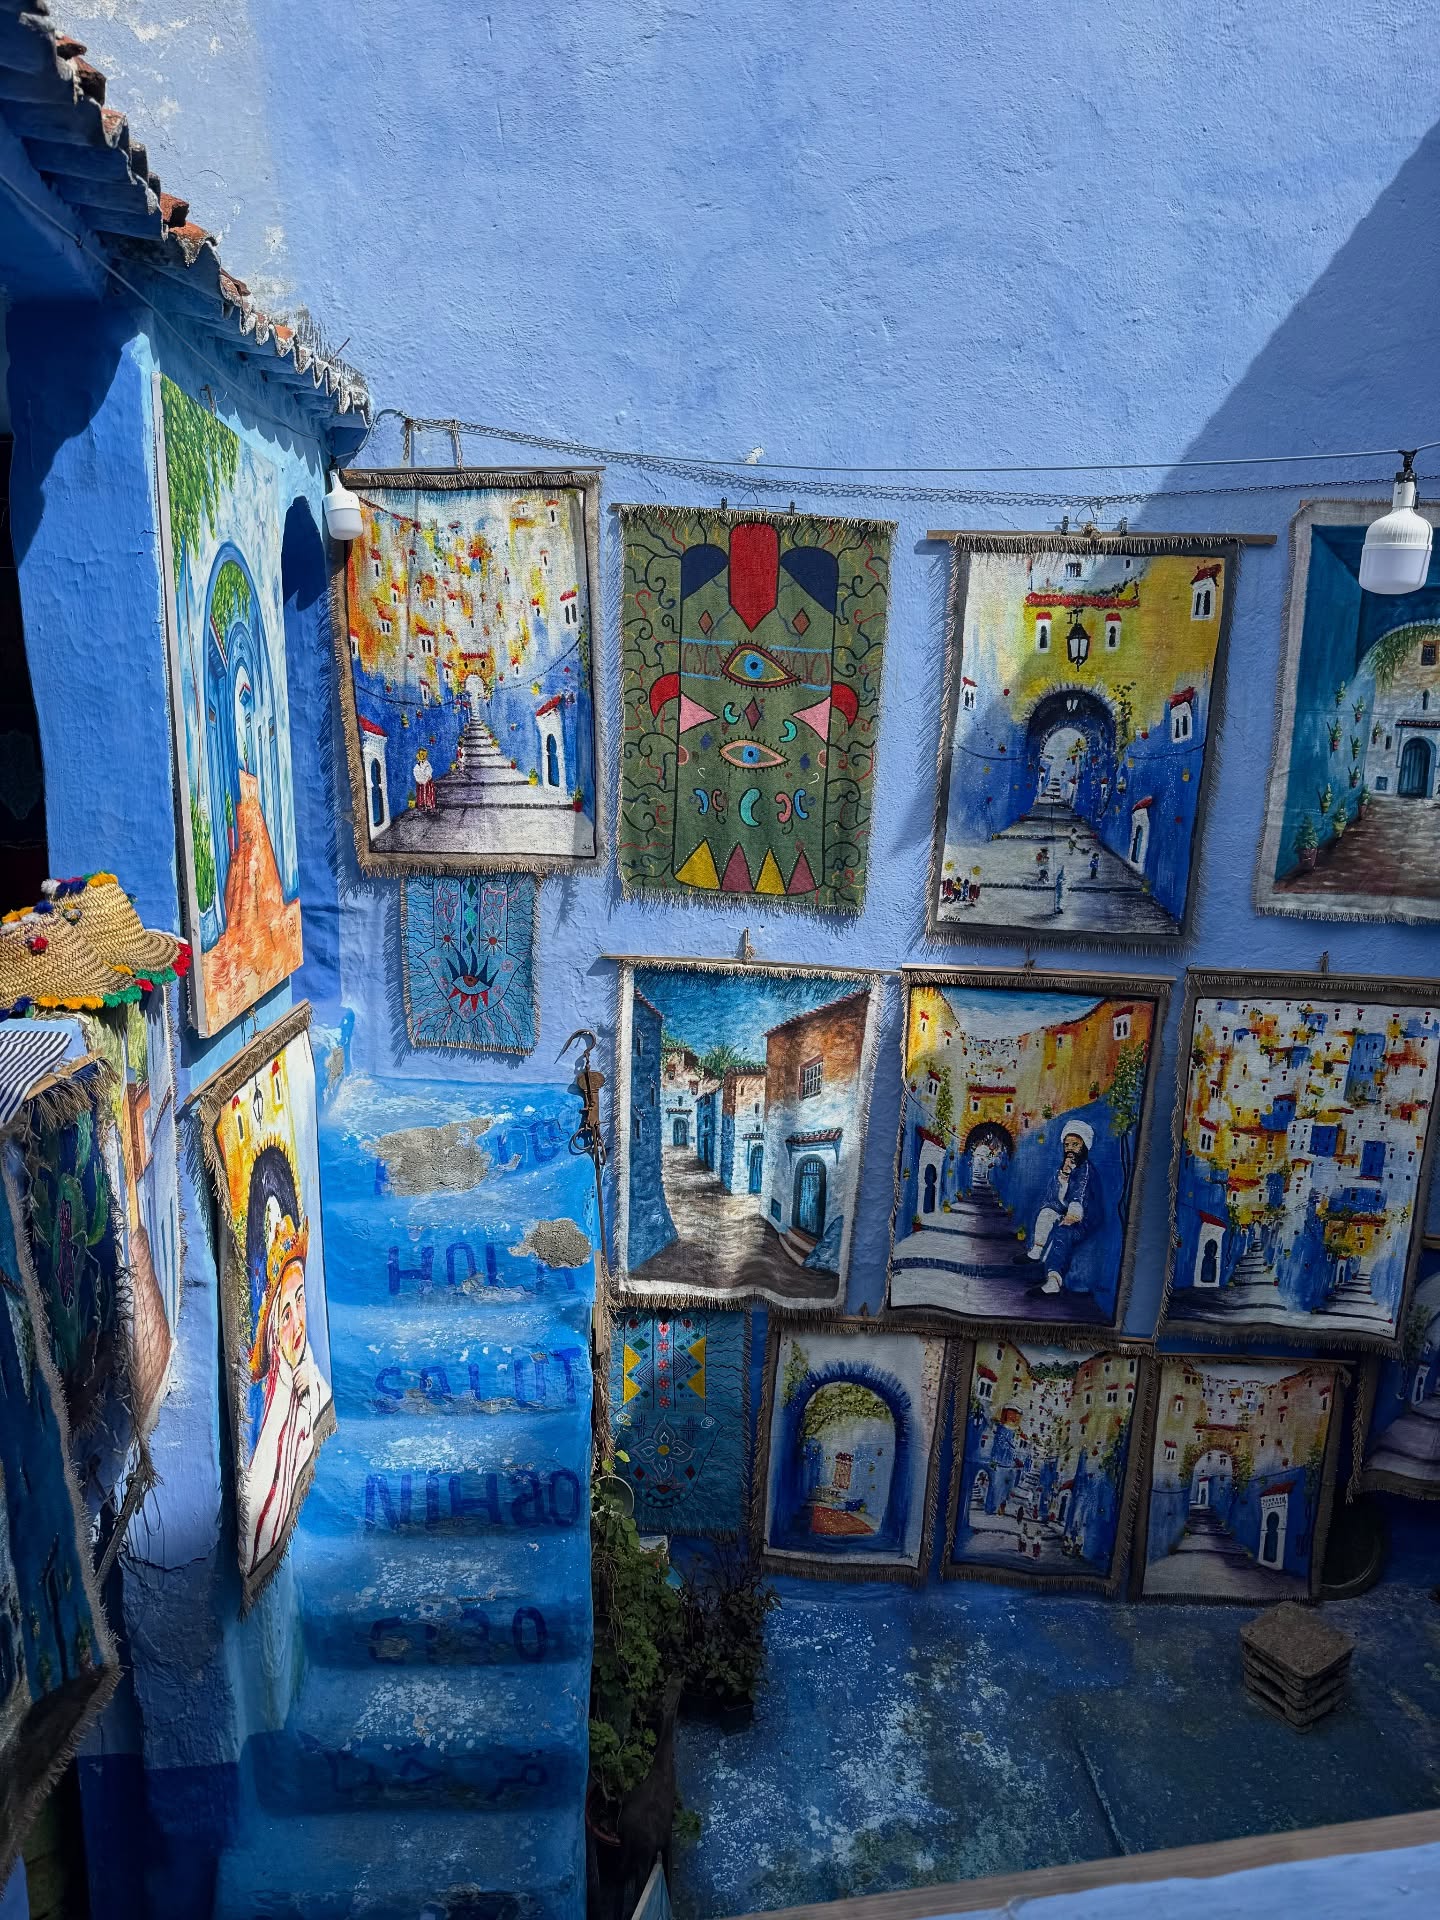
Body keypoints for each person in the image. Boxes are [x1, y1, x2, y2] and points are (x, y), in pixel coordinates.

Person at [244, 1203, 325, 1578]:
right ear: (274, 1331)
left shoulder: (311, 1376)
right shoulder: (272, 1410)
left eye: (301, 1300)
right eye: (286, 1313)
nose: (297, 1324)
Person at [1027, 1119, 1101, 1296]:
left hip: (1085, 1218)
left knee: (1063, 1232)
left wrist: (1073, 1213)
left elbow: (1079, 1195)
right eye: (1067, 1144)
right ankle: (1037, 1250)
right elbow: (1053, 1199)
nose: (1070, 1148)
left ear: (1084, 1146)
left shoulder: (1085, 1169)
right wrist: (1064, 1178)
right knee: (1046, 1212)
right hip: (1067, 1212)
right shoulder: (1064, 1170)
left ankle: (1054, 1281)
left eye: (1075, 1144)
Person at [413, 747, 436, 812]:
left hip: (427, 782)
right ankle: (422, 805)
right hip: (420, 782)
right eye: (421, 755)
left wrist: (426, 780)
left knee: (428, 793)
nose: (422, 756)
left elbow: (429, 773)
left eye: (423, 755)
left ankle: (429, 805)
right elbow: (416, 772)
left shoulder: (427, 764)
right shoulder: (417, 765)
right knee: (421, 793)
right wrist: (419, 780)